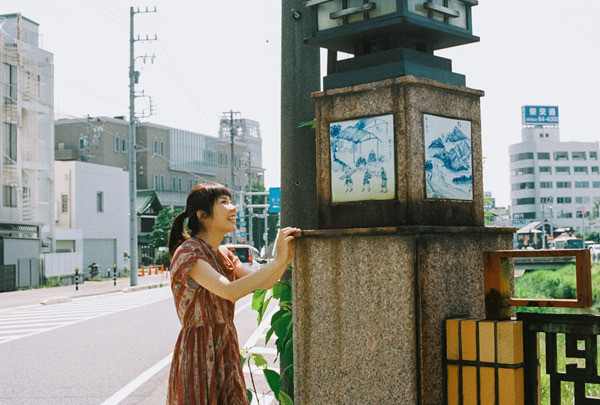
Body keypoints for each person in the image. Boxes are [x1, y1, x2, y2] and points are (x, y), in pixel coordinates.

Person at [166, 183, 298, 405]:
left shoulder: (223, 254)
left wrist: (284, 259)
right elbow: (230, 291)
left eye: (231, 201)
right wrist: (278, 261)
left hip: (225, 343)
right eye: (224, 203)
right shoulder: (188, 252)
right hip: (199, 350)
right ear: (203, 216)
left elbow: (262, 282)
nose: (233, 208)